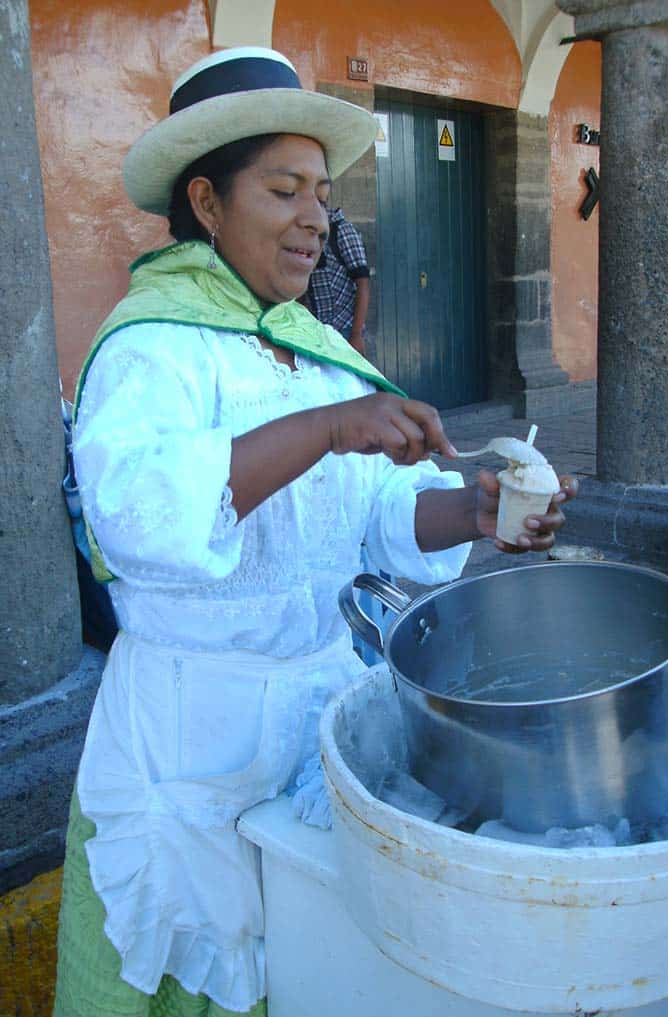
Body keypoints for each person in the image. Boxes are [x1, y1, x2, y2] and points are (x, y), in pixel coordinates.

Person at [53, 47, 578, 1017]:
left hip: (316, 739)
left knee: (311, 974)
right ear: (206, 203)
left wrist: (471, 511)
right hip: (191, 753)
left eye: (324, 196)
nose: (316, 221)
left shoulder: (319, 350)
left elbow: (373, 514)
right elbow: (141, 520)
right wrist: (327, 429)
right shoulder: (149, 347)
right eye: (284, 190)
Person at [307, 206, 370, 354]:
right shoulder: (307, 233)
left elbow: (363, 284)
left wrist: (356, 335)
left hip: (345, 331)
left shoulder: (341, 231)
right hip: (318, 333)